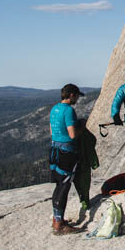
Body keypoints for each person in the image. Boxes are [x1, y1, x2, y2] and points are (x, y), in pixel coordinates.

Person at [49, 83, 84, 235]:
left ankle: (57, 219)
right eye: (76, 96)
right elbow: (72, 135)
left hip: (54, 150)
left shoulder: (54, 109)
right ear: (71, 95)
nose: (77, 99)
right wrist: (82, 125)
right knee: (64, 186)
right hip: (66, 152)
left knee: (58, 185)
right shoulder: (69, 110)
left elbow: (51, 130)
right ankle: (59, 225)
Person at [72, 119, 99, 223]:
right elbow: (93, 140)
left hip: (75, 163)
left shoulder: (77, 136)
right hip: (83, 163)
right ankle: (85, 201)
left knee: (79, 183)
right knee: (84, 183)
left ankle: (83, 201)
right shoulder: (86, 135)